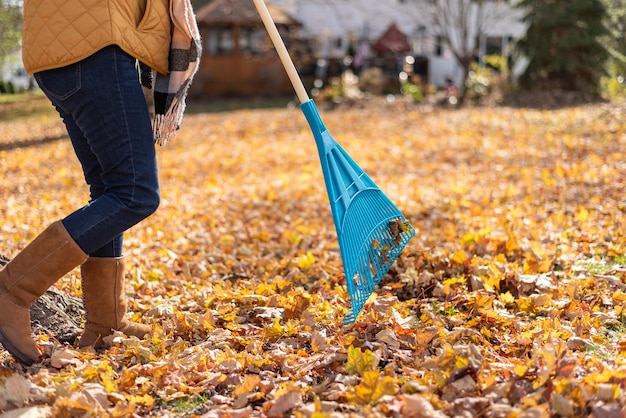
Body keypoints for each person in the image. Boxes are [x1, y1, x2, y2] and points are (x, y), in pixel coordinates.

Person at [0, 0, 178, 366]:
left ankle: (104, 323)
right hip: (95, 45)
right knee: (136, 193)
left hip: (56, 50)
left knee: (111, 189)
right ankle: (13, 290)